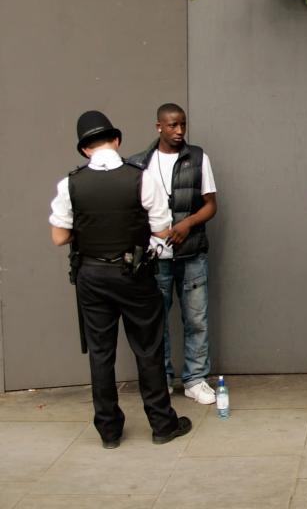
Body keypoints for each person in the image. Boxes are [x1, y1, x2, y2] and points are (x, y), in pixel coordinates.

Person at [49, 111, 192, 448]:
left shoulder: (70, 183)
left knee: (101, 353)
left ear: (85, 150)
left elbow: (59, 237)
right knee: (149, 349)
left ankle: (109, 432)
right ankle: (161, 425)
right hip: (134, 273)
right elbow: (161, 229)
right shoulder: (141, 178)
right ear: (116, 141)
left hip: (91, 275)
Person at [129, 103, 218, 404]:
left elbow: (211, 204)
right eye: (172, 125)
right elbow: (134, 212)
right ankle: (162, 378)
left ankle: (195, 379)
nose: (179, 131)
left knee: (197, 320)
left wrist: (187, 224)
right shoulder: (140, 164)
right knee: (157, 322)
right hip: (155, 259)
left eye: (182, 124)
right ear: (158, 127)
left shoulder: (197, 157)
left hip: (192, 254)